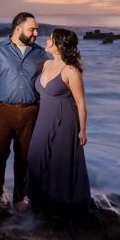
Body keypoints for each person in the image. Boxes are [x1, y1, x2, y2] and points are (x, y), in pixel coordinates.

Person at [0, 12, 48, 211]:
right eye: (32, 29)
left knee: (24, 157)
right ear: (18, 28)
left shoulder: (41, 54)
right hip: (3, 113)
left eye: (37, 30)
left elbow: (53, 81)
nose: (36, 34)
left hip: (32, 112)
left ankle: (20, 196)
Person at [27, 28, 91, 224]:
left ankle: (58, 205)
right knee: (35, 155)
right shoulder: (45, 63)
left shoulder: (70, 71)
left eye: (51, 39)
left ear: (59, 45)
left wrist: (82, 130)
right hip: (44, 117)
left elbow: (81, 102)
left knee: (59, 161)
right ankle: (38, 199)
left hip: (65, 119)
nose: (47, 40)